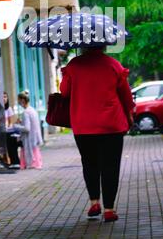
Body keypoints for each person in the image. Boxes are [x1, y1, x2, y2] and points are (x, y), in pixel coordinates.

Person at [60, 45, 135, 223]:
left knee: (89, 163)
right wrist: (130, 114)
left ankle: (94, 202)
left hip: (83, 125)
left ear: (82, 45)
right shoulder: (113, 65)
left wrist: (68, 76)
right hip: (112, 125)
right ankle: (109, 209)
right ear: (104, 44)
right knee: (111, 166)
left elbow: (64, 93)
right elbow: (126, 95)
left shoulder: (73, 66)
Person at [16, 91, 43, 169]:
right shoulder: (33, 110)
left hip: (29, 139)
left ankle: (28, 164)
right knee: (36, 155)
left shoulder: (26, 112)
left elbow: (27, 128)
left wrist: (16, 126)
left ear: (22, 100)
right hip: (35, 139)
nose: (18, 103)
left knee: (30, 157)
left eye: (19, 100)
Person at [3, 91, 20, 169]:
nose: (4, 99)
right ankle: (6, 160)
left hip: (8, 130)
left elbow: (11, 121)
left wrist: (8, 126)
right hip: (0, 131)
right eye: (3, 97)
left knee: (11, 140)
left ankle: (14, 161)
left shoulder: (8, 109)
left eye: (5, 97)